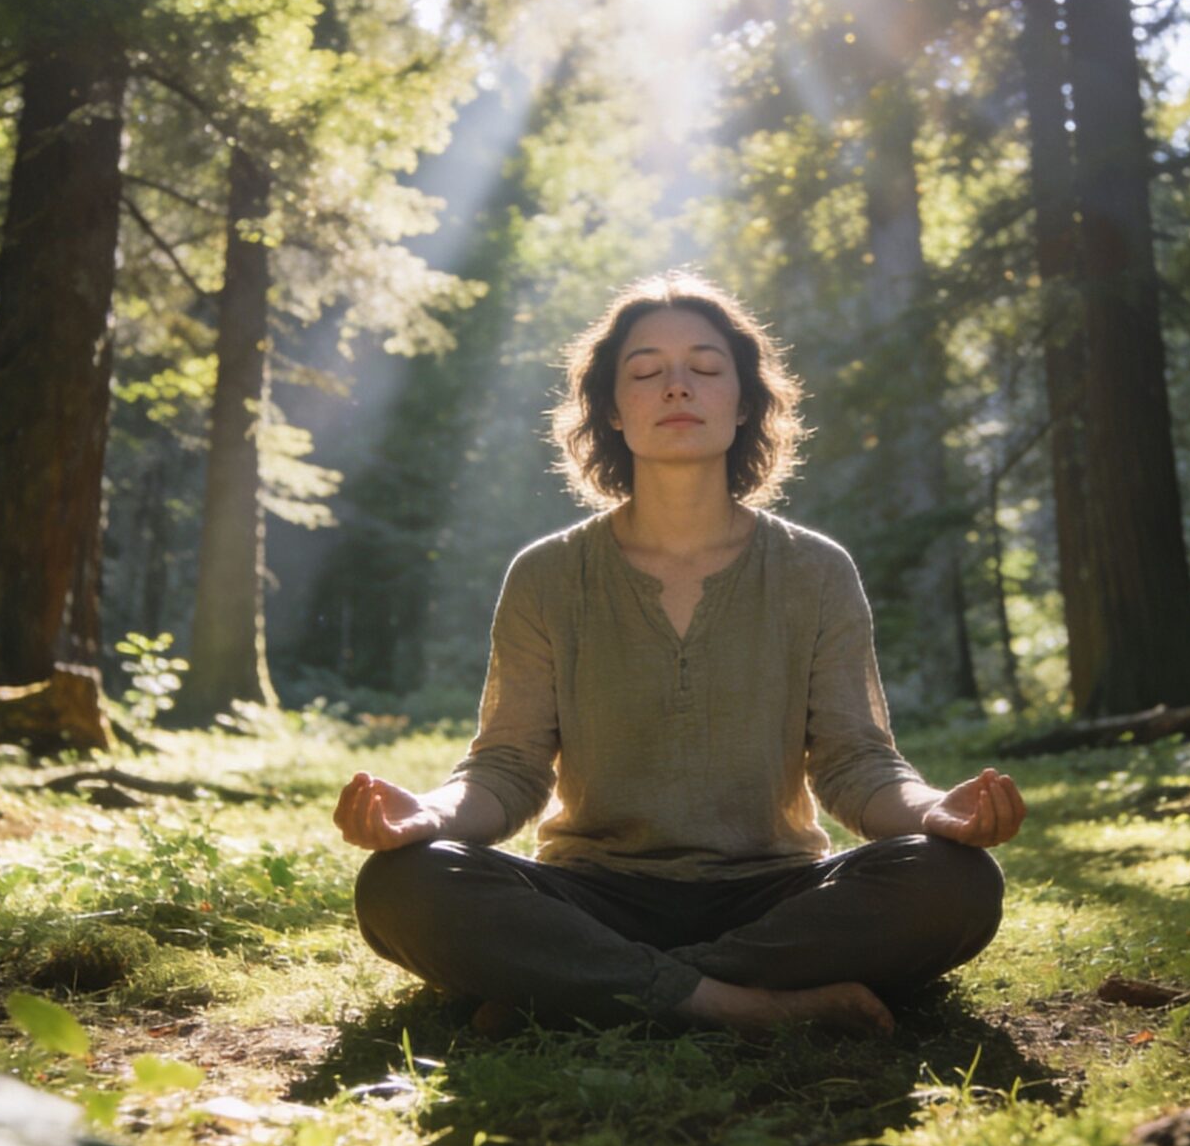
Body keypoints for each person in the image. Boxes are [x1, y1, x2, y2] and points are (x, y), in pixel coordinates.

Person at [337, 273, 1025, 1035]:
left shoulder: (815, 570)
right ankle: (737, 1006)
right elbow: (508, 771)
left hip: (775, 894)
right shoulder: (548, 574)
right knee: (404, 884)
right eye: (645, 371)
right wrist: (426, 816)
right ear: (611, 410)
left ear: (743, 403)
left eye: (704, 368)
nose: (676, 387)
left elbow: (855, 764)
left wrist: (937, 812)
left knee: (955, 883)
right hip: (593, 893)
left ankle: (582, 991)